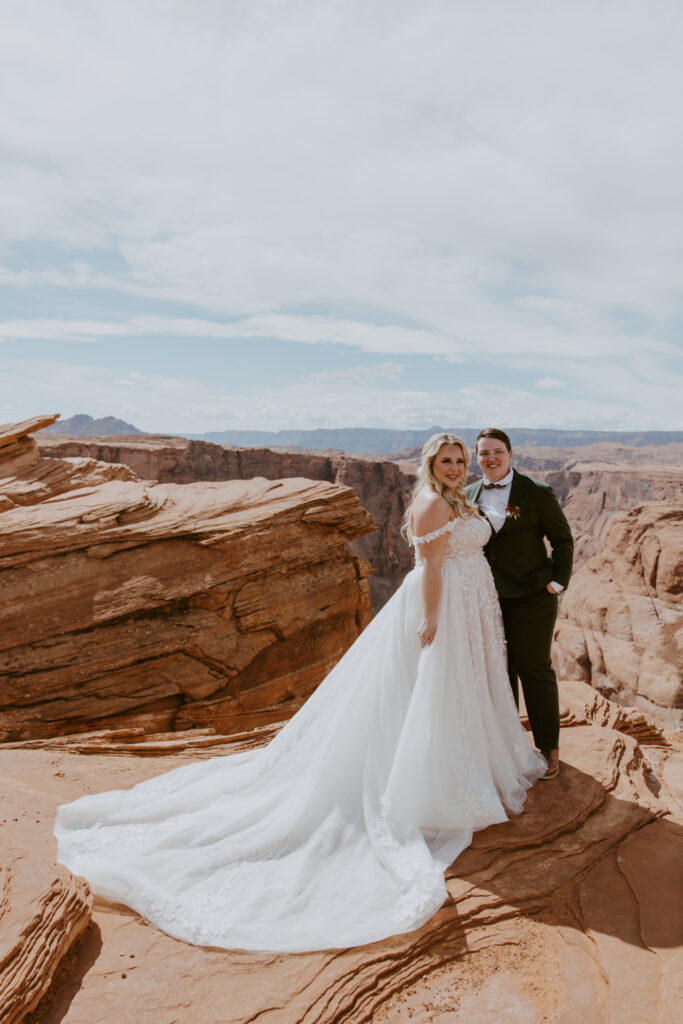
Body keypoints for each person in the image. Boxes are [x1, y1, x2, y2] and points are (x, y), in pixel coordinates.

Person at [55, 434, 545, 954]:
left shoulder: (457, 497)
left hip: (471, 605)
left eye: (459, 461)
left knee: (456, 692)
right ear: (430, 465)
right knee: (429, 695)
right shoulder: (429, 503)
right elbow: (430, 569)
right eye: (446, 461)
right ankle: (431, 781)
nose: (454, 467)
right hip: (442, 605)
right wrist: (431, 620)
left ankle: (469, 763)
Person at [466, 429, 574, 780]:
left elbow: (562, 539)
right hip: (488, 597)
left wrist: (556, 583)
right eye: (484, 453)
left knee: (534, 668)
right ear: (476, 457)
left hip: (532, 595)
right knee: (500, 671)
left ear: (511, 454)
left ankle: (549, 748)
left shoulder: (537, 492)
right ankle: (510, 749)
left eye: (497, 452)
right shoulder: (468, 495)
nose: (491, 459)